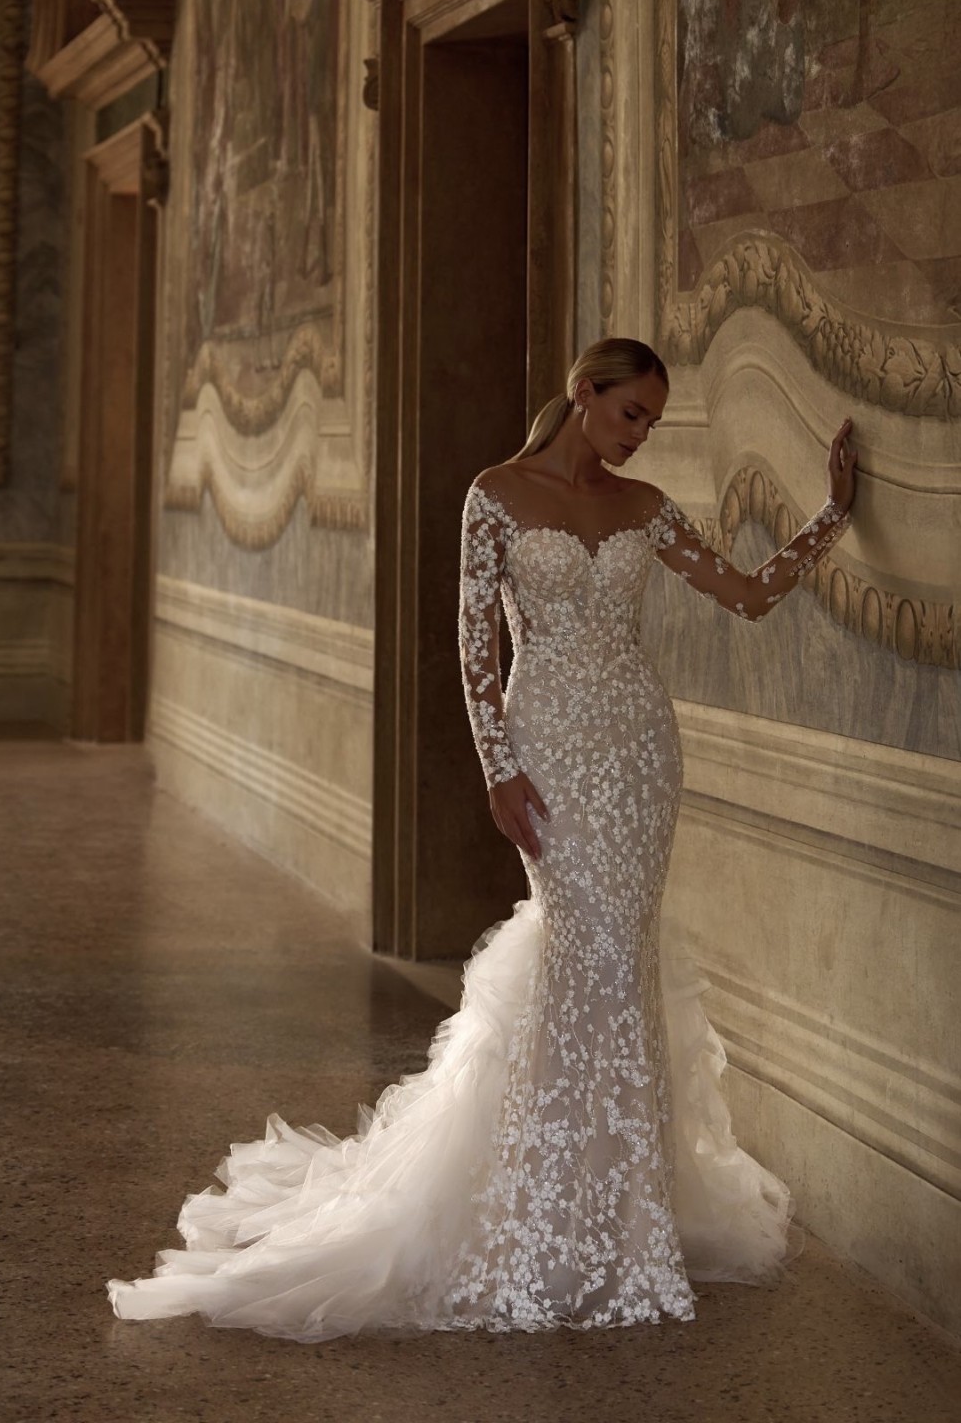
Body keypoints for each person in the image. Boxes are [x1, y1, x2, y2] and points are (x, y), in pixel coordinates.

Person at [108, 336, 856, 1338]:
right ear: (581, 395)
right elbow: (473, 645)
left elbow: (748, 594)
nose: (641, 438)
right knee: (579, 949)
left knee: (619, 958)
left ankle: (623, 1215)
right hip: (544, 745)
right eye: (630, 413)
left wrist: (832, 518)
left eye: (653, 422)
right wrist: (497, 769)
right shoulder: (493, 494)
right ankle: (547, 1207)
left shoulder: (642, 510)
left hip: (638, 749)